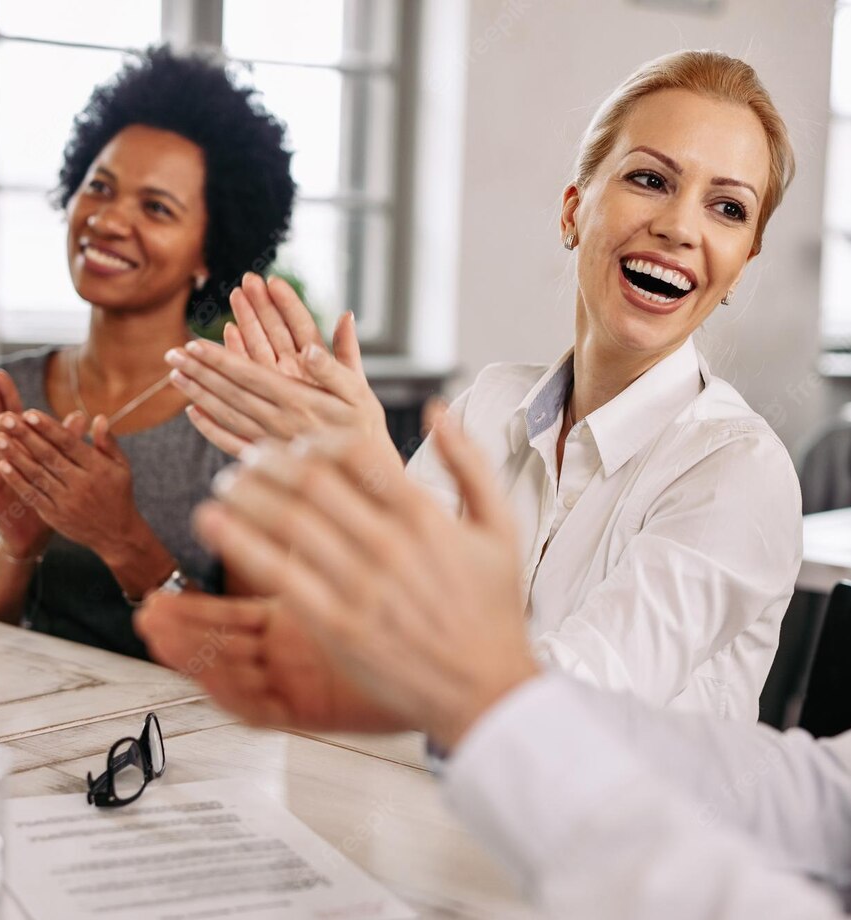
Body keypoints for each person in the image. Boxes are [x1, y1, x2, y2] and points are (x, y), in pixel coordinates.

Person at [139, 1, 851, 916]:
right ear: (574, 206)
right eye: (649, 179)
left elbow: (521, 684)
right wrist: (458, 675)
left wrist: (481, 689)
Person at [159, 50, 804, 717]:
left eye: (728, 208)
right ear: (573, 212)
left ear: (742, 262)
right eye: (649, 179)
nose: (679, 227)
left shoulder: (739, 474)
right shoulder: (490, 408)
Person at [0, 47, 296, 658]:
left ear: (210, 250)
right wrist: (14, 550)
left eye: (156, 207)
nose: (107, 219)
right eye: (99, 187)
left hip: (181, 751)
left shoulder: (244, 421)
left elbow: (257, 670)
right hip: (16, 742)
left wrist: (125, 540)